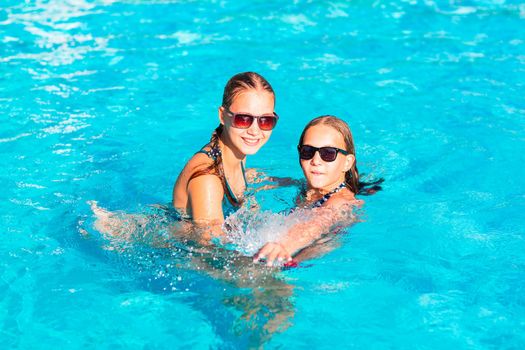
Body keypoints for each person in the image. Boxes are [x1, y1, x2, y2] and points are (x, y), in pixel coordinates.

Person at [253, 115, 372, 266]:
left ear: (347, 163)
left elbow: (318, 223)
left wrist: (283, 246)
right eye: (308, 151)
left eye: (328, 153)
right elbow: (270, 180)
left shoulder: (340, 202)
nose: (316, 161)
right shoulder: (307, 187)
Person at [172, 71, 278, 239]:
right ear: (222, 115)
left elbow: (243, 180)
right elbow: (208, 253)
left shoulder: (236, 152)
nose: (255, 130)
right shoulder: (207, 179)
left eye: (265, 120)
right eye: (243, 119)